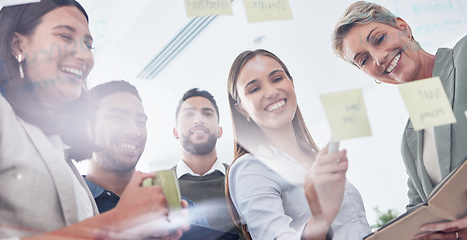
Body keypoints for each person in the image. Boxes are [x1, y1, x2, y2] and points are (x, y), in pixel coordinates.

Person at [0, 1, 187, 239]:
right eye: (65, 36)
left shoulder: (59, 150)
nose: (84, 55)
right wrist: (118, 223)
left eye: (88, 45)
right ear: (19, 44)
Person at [332, 1, 467, 239]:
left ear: (403, 27)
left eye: (379, 39)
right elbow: (420, 211)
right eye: (363, 60)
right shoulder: (411, 140)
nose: (379, 58)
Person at [225, 49, 372, 240]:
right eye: (254, 89)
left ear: (292, 84)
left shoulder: (315, 157)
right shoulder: (250, 168)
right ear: (241, 109)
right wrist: (320, 218)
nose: (271, 92)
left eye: (277, 79)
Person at [84, 80, 207, 226]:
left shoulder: (184, 210)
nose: (133, 131)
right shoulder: (63, 203)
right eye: (117, 118)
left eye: (140, 122)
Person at [172, 88, 244, 239]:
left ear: (220, 131)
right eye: (189, 114)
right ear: (176, 132)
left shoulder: (242, 179)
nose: (198, 120)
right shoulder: (157, 189)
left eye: (207, 113)